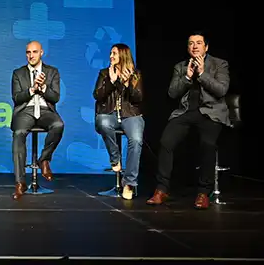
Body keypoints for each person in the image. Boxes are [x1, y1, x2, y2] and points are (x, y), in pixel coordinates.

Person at [147, 32, 230, 209]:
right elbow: (172, 93)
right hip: (185, 112)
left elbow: (221, 90)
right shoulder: (180, 66)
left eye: (199, 43)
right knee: (166, 141)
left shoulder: (219, 64)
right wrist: (187, 77)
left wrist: (202, 74)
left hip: (210, 113)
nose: (195, 46)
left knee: (208, 144)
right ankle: (161, 189)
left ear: (206, 47)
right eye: (191, 43)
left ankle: (203, 192)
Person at [10, 41, 65, 200]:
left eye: (34, 52)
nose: (31, 55)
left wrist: (43, 88)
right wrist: (32, 89)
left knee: (58, 125)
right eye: (28, 52)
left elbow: (55, 97)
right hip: (25, 111)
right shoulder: (18, 73)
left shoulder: (52, 72)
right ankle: (20, 182)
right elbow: (16, 98)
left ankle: (44, 159)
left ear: (41, 53)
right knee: (19, 133)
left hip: (45, 111)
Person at [93, 43, 144, 200]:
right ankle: (115, 158)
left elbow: (138, 98)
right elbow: (97, 95)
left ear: (122, 55)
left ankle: (129, 183)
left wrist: (128, 84)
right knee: (102, 122)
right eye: (110, 53)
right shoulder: (104, 73)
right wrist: (111, 81)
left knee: (136, 140)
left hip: (131, 115)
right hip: (109, 114)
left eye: (114, 53)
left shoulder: (135, 74)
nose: (111, 56)